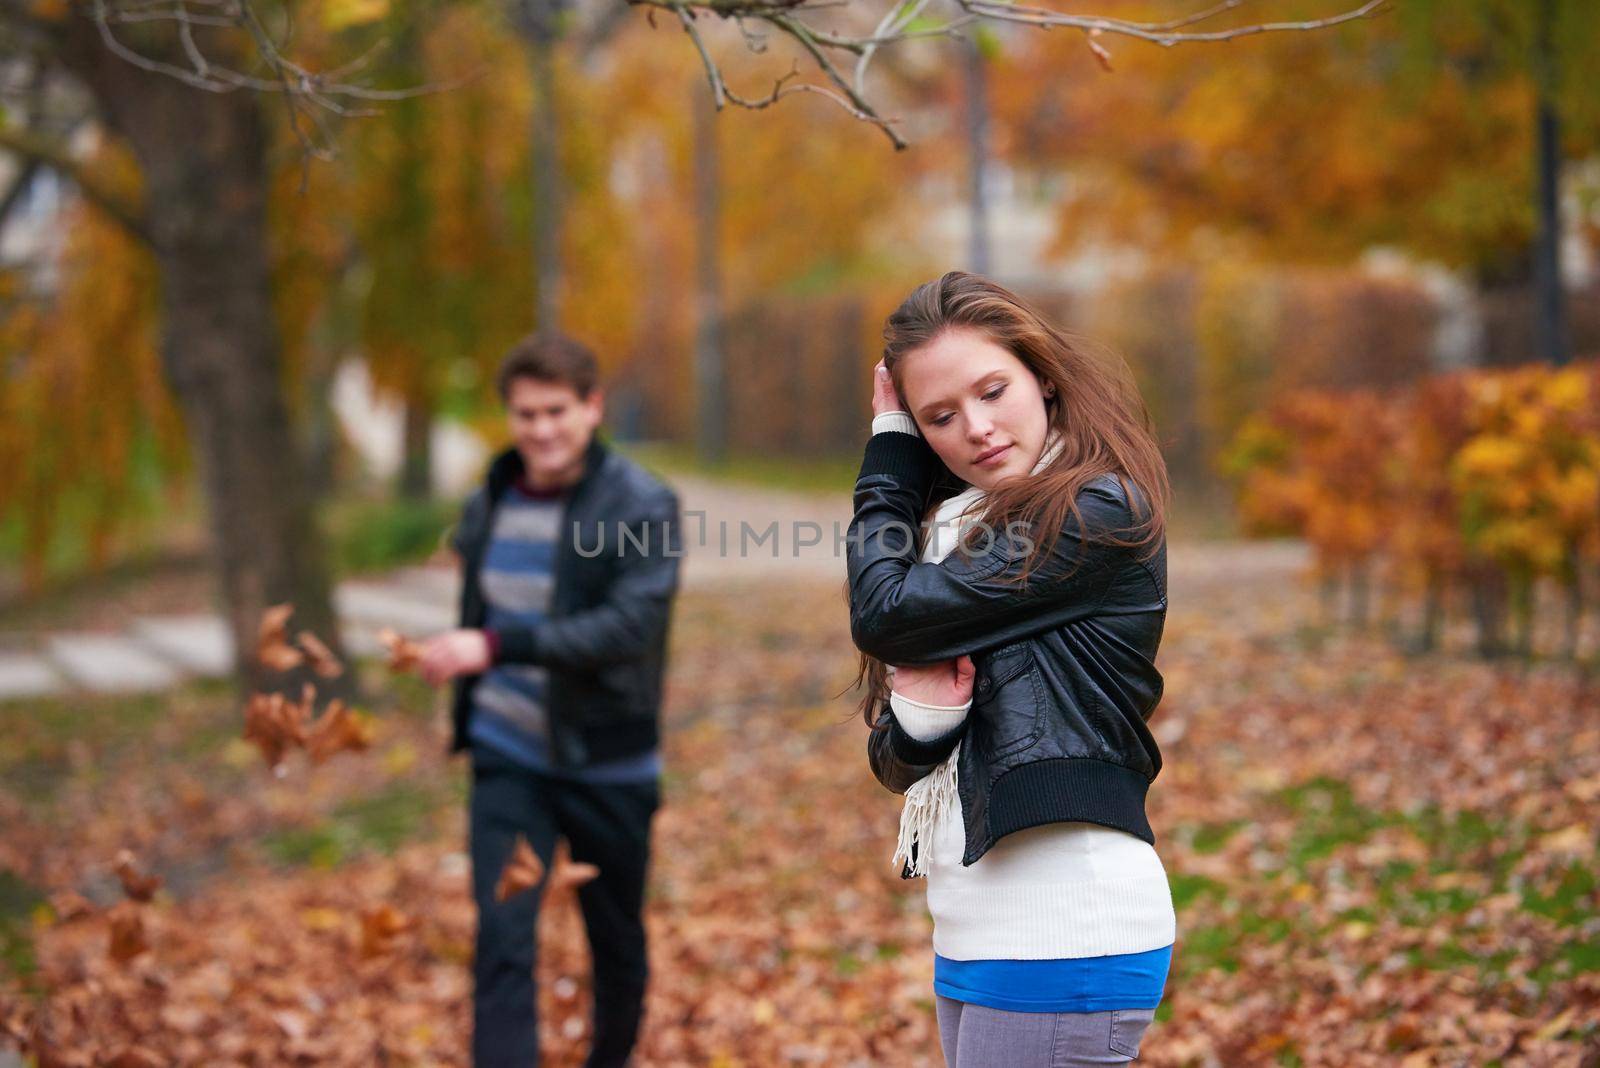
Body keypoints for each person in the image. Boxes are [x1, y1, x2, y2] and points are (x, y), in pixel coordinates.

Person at [847, 272, 1175, 1067]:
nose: (979, 428)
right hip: (975, 930)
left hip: (1064, 927)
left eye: (994, 390)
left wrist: (888, 451)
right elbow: (896, 760)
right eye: (939, 417)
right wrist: (927, 717)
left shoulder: (1094, 512)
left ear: (1045, 377)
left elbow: (882, 612)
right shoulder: (953, 536)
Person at [419, 332, 682, 1068]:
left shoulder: (642, 502)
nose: (541, 430)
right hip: (508, 757)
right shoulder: (493, 495)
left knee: (615, 940)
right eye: (526, 414)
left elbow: (630, 626)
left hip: (608, 761)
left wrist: (497, 646)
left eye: (556, 411)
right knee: (502, 940)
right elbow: (485, 598)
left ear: (592, 407)